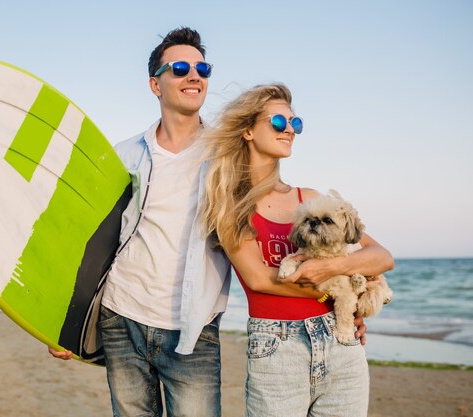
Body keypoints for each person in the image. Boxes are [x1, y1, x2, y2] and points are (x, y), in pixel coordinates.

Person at [50, 27, 231, 417]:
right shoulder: (125, 155)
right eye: (180, 67)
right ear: (155, 84)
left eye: (203, 68)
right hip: (122, 317)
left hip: (194, 329)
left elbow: (267, 225)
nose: (194, 76)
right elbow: (90, 239)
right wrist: (63, 323)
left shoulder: (228, 155)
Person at [201, 83, 394, 417]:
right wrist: (339, 293)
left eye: (295, 123)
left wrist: (336, 276)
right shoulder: (230, 204)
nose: (290, 129)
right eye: (278, 122)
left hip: (341, 339)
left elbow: (382, 257)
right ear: (248, 130)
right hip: (277, 347)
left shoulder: (310, 198)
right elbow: (260, 280)